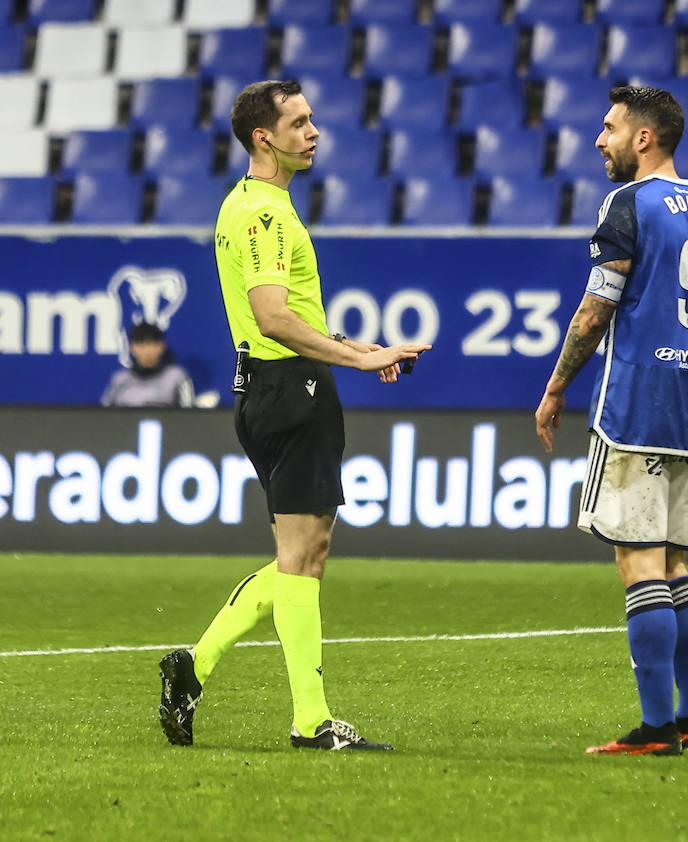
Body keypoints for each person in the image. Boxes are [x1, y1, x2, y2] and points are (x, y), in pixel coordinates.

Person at [157, 80, 430, 752]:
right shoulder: (264, 215)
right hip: (290, 391)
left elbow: (286, 319)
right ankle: (310, 720)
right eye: (299, 122)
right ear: (263, 136)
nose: (313, 131)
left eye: (312, 118)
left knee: (301, 554)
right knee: (302, 560)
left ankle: (194, 669)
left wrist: (360, 349)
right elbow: (274, 315)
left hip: (270, 387)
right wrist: (357, 364)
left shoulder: (252, 205)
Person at [534, 86, 688, 757]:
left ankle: (658, 729)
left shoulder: (628, 205)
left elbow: (595, 310)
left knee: (639, 564)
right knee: (676, 564)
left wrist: (555, 386)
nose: (598, 140)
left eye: (608, 129)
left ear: (644, 138)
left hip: (636, 404)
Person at [102, 322, 194, 407]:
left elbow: (189, 414)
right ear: (133, 348)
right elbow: (105, 415)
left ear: (161, 347)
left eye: (152, 345)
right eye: (141, 346)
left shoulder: (177, 377)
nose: (147, 351)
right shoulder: (119, 379)